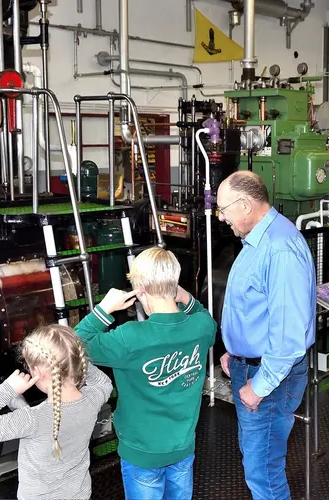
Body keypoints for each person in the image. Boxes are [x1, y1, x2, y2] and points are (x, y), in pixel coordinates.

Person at [75, 247, 216, 500]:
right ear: (174, 283)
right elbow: (204, 315)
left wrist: (104, 308)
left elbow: (74, 344)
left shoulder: (129, 338)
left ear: (139, 288)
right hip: (183, 449)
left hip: (141, 454)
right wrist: (186, 298)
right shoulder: (201, 327)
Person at [217, 171, 315, 499]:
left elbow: (289, 336)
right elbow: (259, 308)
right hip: (251, 364)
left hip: (270, 376)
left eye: (224, 209)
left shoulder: (280, 248)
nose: (221, 217)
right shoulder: (258, 240)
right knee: (258, 463)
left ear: (245, 205)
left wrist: (258, 387)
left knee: (264, 471)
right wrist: (236, 348)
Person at [0, 325, 113, 499]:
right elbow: (104, 383)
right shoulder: (92, 399)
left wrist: (7, 390)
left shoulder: (31, 419)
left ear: (38, 372)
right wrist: (72, 357)